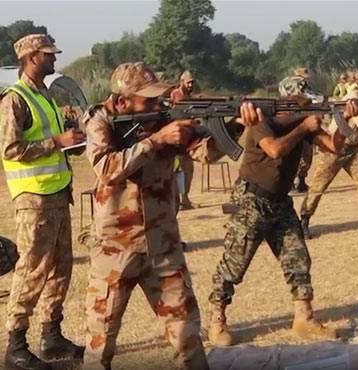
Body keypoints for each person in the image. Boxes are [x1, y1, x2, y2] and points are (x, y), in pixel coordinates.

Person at [82, 62, 261, 369]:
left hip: (163, 245)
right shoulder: (101, 120)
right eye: (148, 99)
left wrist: (236, 125)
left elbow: (205, 152)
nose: (156, 104)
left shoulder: (164, 117)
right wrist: (157, 140)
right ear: (123, 101)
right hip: (116, 247)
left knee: (188, 339)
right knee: (101, 346)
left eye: (157, 97)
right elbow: (107, 169)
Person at [206, 98, 358, 347]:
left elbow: (334, 147)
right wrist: (303, 128)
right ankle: (217, 319)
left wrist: (345, 121)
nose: (304, 109)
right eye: (299, 104)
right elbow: (274, 150)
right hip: (251, 200)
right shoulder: (260, 119)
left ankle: (304, 318)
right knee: (235, 264)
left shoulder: (302, 122)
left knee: (298, 259)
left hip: (280, 201)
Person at [0, 34, 85, 370]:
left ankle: (52, 336)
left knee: (61, 269)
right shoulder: (14, 99)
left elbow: (54, 141)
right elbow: (10, 149)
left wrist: (71, 144)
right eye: (49, 55)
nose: (54, 60)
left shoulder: (45, 94)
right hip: (33, 199)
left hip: (57, 194)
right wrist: (56, 142)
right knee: (32, 271)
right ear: (32, 57)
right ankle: (15, 345)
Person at [299, 72, 358, 239]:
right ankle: (303, 221)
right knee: (318, 186)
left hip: (352, 148)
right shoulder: (353, 98)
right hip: (334, 148)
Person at [278, 67, 322, 193]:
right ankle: (300, 181)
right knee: (305, 151)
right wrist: (322, 99)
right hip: (301, 116)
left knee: (289, 149)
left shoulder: (283, 82)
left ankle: (289, 182)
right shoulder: (301, 83)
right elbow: (311, 97)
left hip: (286, 117)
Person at [171, 71, 199, 209]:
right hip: (176, 139)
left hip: (187, 140)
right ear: (182, 82)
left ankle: (185, 199)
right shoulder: (176, 95)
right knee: (176, 170)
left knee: (187, 169)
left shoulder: (189, 97)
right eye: (188, 82)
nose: (190, 85)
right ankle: (178, 200)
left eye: (192, 82)